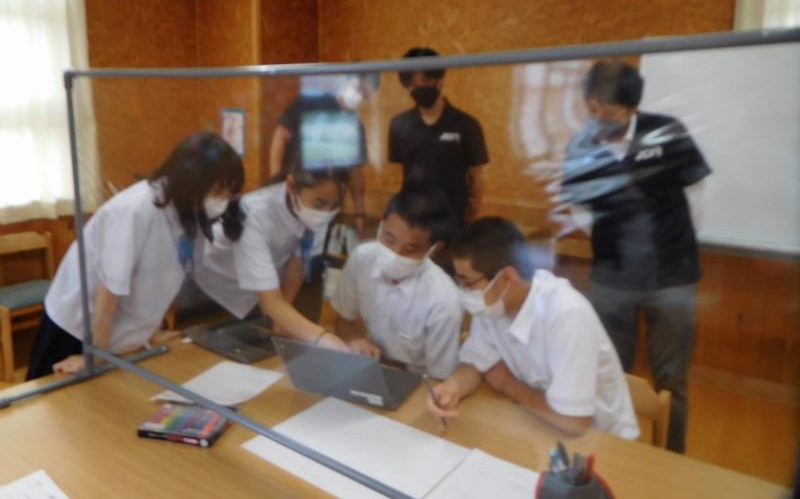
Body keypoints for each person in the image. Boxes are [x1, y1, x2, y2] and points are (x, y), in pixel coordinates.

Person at [561, 60, 711, 453]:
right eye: (592, 108)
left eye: (608, 111)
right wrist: (617, 242)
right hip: (613, 277)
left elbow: (696, 195)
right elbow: (579, 208)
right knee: (610, 372)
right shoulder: (581, 147)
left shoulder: (666, 131)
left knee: (671, 378)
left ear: (632, 108)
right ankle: (618, 454)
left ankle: (673, 457)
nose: (598, 118)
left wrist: (665, 245)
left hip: (673, 276)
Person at [27, 132, 245, 379]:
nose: (221, 201)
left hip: (119, 332)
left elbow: (166, 278)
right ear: (191, 179)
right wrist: (95, 355)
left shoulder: (190, 213)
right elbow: (109, 289)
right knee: (52, 398)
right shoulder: (135, 210)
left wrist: (152, 333)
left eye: (228, 193)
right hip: (77, 327)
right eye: (217, 190)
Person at [427, 217, 639, 440]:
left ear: (507, 278)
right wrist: (452, 387)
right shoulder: (494, 305)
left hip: (601, 439)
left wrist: (507, 383)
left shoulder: (566, 313)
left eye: (468, 284)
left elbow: (573, 421)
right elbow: (476, 363)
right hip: (539, 421)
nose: (464, 293)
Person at [194, 160, 351, 351]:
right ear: (291, 185)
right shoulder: (255, 212)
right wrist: (321, 336)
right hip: (209, 286)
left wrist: (282, 319)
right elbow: (272, 302)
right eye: (320, 203)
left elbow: (298, 264)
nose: (326, 212)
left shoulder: (318, 212)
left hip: (253, 292)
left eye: (334, 206)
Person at [330, 189, 462, 379]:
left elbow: (439, 378)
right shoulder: (362, 259)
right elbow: (344, 322)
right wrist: (355, 340)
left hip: (417, 381)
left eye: (410, 249)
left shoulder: (444, 301)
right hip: (370, 369)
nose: (394, 254)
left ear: (433, 249)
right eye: (389, 239)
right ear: (381, 225)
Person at [269, 73, 380, 238]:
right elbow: (281, 136)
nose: (360, 96)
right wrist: (276, 182)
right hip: (297, 190)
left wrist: (359, 213)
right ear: (347, 82)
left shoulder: (355, 123)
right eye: (359, 89)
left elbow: (355, 172)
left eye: (366, 94)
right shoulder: (311, 101)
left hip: (329, 200)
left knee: (318, 244)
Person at [389, 47, 488, 229]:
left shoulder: (467, 124)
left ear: (440, 80)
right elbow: (398, 173)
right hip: (413, 219)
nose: (419, 87)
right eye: (412, 82)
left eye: (425, 80)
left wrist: (471, 217)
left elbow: (476, 177)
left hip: (453, 219)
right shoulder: (398, 124)